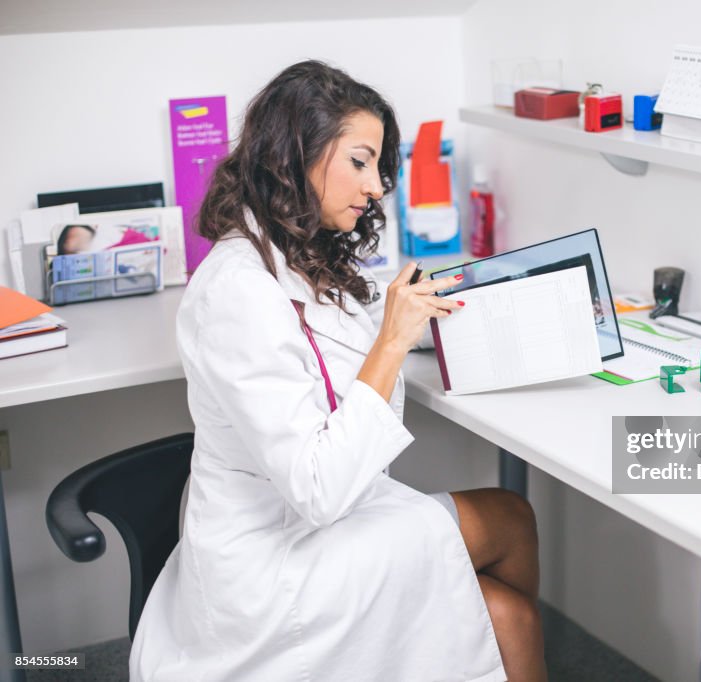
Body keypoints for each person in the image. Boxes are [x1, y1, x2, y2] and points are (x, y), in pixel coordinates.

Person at [129, 60, 545, 681]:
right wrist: (393, 342)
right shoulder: (237, 291)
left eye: (379, 167)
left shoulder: (294, 252)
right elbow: (318, 488)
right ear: (296, 154)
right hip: (279, 564)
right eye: (360, 161)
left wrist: (432, 315)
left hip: (322, 522)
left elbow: (348, 335)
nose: (376, 186)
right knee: (510, 521)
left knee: (508, 617)